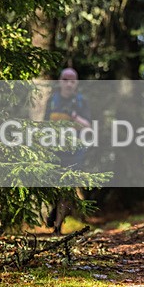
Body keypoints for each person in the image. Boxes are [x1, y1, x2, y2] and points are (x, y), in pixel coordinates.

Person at [44, 67, 91, 233]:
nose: (69, 84)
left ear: (76, 83)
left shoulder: (81, 102)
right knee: (54, 186)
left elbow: (88, 126)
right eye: (65, 80)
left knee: (67, 188)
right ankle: (54, 211)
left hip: (74, 153)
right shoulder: (52, 101)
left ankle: (57, 227)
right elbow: (44, 125)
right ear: (60, 81)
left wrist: (74, 117)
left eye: (72, 81)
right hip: (54, 149)